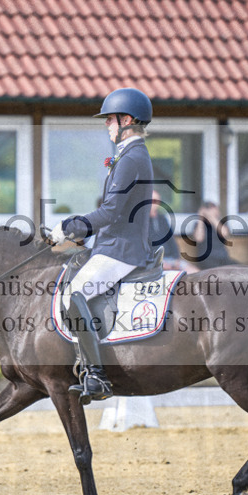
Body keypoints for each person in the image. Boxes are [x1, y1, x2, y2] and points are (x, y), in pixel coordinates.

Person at [48, 87, 155, 403]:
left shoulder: (131, 157)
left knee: (74, 293)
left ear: (126, 120)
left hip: (122, 249)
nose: (107, 125)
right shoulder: (129, 156)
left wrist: (71, 226)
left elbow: (111, 211)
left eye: (110, 119)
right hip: (112, 243)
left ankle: (96, 375)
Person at [149, 191, 192, 272]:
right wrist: (159, 262)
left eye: (157, 201)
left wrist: (176, 260)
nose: (154, 204)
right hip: (154, 262)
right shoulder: (141, 223)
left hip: (171, 259)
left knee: (193, 272)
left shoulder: (162, 219)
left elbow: (171, 241)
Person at [189, 201, 237, 271]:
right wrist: (200, 218)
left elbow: (224, 234)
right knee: (218, 271)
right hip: (206, 259)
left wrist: (212, 218)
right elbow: (199, 238)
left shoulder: (221, 223)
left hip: (223, 258)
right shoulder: (199, 224)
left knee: (239, 269)